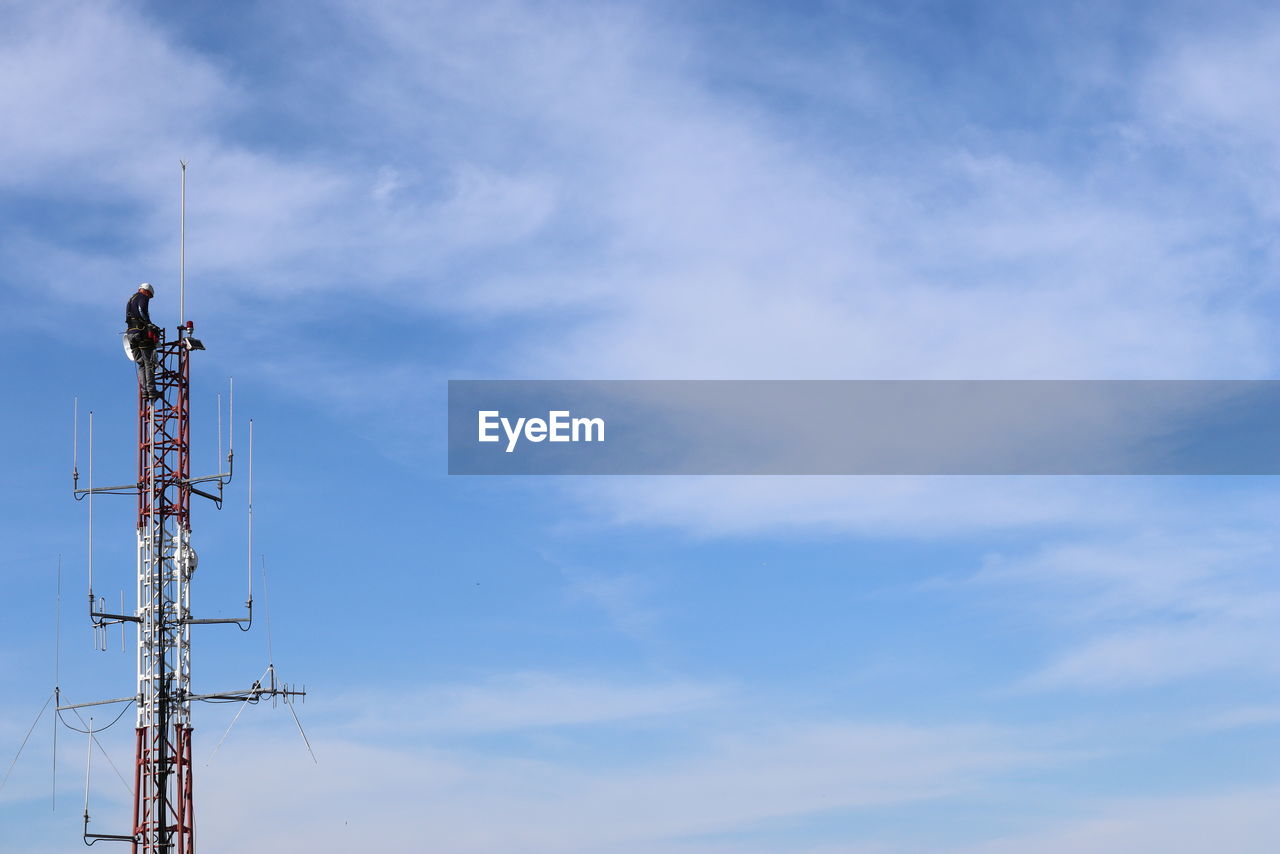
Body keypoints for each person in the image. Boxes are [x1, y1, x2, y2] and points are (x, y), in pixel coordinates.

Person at [126, 282, 161, 401]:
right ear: (147, 291)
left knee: (141, 364)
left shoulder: (131, 299)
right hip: (141, 334)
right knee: (148, 363)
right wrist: (148, 324)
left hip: (130, 334)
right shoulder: (142, 297)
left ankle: (144, 391)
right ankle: (151, 390)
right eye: (149, 295)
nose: (149, 298)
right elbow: (141, 310)